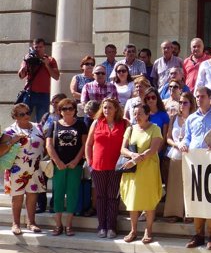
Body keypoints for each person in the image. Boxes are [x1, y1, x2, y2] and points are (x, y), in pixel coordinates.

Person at [180, 87, 211, 250]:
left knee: (210, 198)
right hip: (194, 163)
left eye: (202, 96)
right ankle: (198, 234)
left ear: (210, 98)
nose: (199, 99)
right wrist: (184, 145)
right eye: (197, 97)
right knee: (196, 198)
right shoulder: (191, 118)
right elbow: (187, 137)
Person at [119, 102, 164, 244]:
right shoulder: (130, 129)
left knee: (149, 201)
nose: (136, 116)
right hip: (133, 170)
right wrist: (133, 156)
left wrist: (137, 159)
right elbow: (123, 149)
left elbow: (152, 150)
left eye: (139, 113)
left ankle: (148, 230)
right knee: (133, 200)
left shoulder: (155, 129)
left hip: (148, 170)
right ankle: (133, 230)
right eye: (135, 113)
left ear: (147, 114)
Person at [85, 98, 128, 238]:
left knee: (113, 197)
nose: (106, 110)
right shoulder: (96, 123)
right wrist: (90, 162)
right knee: (101, 196)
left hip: (116, 166)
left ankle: (111, 227)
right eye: (104, 108)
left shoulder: (124, 123)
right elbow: (88, 144)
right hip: (98, 166)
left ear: (116, 109)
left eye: (110, 107)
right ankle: (101, 226)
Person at [45, 98, 87, 236]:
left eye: (70, 108)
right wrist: (57, 162)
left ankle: (68, 225)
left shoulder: (81, 125)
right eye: (64, 109)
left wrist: (76, 160)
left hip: (75, 165)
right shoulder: (54, 124)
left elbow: (84, 145)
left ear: (75, 110)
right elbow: (49, 145)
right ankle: (58, 225)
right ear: (60, 111)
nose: (68, 111)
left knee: (72, 193)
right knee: (57, 194)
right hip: (59, 166)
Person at [3, 103, 47, 235]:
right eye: (22, 114)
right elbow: (1, 151)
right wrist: (12, 141)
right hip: (17, 168)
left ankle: (31, 222)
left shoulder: (38, 127)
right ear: (15, 116)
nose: (26, 116)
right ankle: (15, 224)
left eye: (27, 113)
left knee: (33, 196)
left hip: (35, 167)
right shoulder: (9, 131)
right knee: (17, 197)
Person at [164, 91, 195, 223]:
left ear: (191, 104)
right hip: (176, 154)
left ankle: (189, 213)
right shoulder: (174, 118)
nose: (182, 105)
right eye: (180, 102)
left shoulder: (195, 118)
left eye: (185, 102)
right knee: (175, 184)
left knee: (190, 184)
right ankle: (174, 212)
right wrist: (176, 145)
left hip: (191, 155)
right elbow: (168, 137)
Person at [17, 38, 60, 120]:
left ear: (44, 47)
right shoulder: (29, 59)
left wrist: (47, 65)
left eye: (40, 47)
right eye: (36, 47)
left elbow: (56, 77)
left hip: (44, 94)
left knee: (42, 119)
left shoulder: (50, 60)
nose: (38, 49)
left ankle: (39, 133)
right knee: (22, 117)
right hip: (30, 92)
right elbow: (21, 76)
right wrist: (25, 63)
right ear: (33, 47)